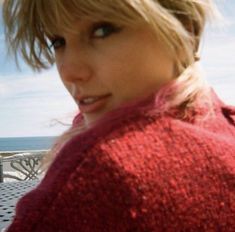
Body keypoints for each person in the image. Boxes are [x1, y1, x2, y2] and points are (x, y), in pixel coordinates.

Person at [3, 0, 235, 231]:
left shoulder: (99, 165)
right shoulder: (225, 124)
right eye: (58, 42)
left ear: (185, 29)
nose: (69, 72)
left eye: (102, 30)